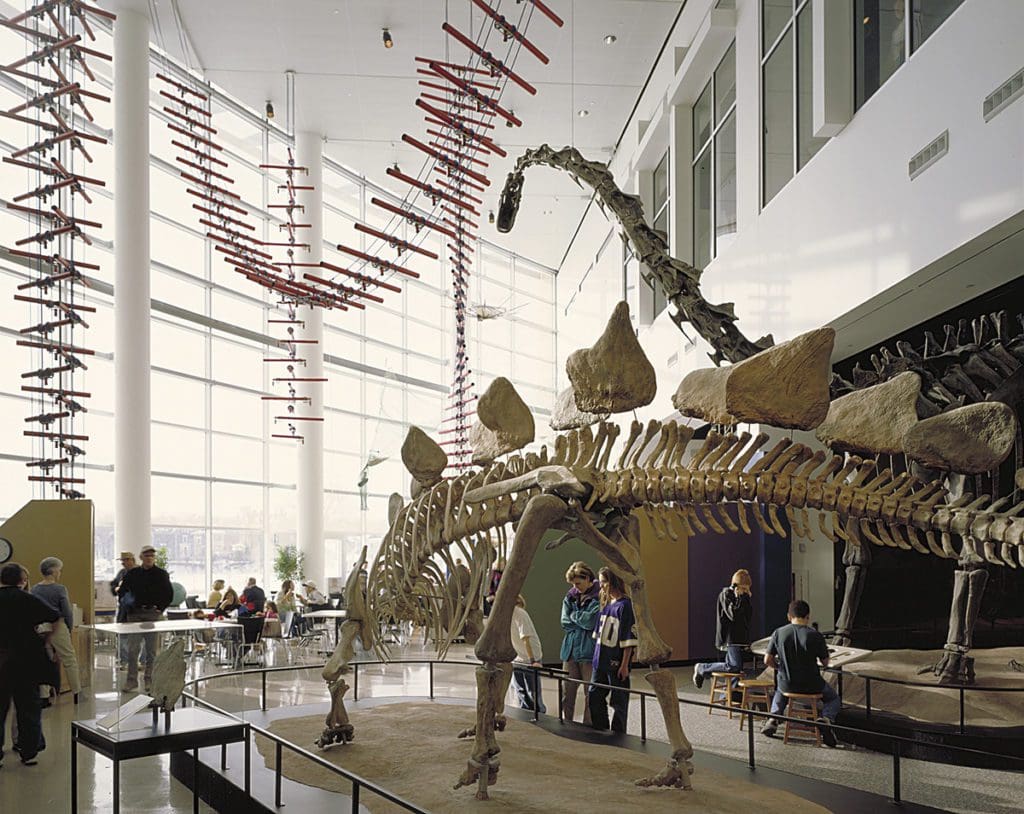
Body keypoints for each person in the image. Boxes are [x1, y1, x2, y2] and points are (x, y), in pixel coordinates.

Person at [0, 562, 60, 766]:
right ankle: (28, 751)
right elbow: (54, 616)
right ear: (22, 580)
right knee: (28, 707)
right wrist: (46, 637)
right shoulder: (28, 599)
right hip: (25, 660)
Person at [761, 599, 840, 747]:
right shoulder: (815, 635)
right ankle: (826, 719)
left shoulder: (779, 633)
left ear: (789, 616)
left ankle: (773, 718)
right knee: (834, 699)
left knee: (781, 687)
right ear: (808, 616)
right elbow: (825, 663)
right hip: (812, 685)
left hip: (788, 684)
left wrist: (779, 667)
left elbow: (767, 660)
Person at [118, 544, 173, 693]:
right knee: (132, 650)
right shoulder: (132, 574)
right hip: (134, 614)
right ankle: (131, 681)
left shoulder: (161, 574)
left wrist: (160, 608)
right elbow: (122, 592)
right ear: (141, 557)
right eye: (146, 555)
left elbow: (168, 594)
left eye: (152, 555)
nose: (149, 558)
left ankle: (149, 680)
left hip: (152, 614)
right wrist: (128, 606)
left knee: (151, 650)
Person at [588, 567, 637, 733]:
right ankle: (600, 728)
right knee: (594, 694)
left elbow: (628, 640)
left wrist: (624, 665)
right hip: (600, 660)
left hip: (615, 662)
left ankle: (618, 734)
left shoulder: (625, 606)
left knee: (619, 701)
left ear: (613, 582)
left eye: (604, 582)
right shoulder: (606, 605)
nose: (600, 586)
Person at [31, 557, 82, 703]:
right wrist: (69, 627)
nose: (60, 573)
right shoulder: (60, 589)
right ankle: (77, 692)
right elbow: (66, 611)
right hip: (58, 626)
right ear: (53, 571)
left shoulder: (35, 589)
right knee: (69, 659)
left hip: (40, 627)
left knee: (44, 659)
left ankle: (44, 696)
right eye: (59, 570)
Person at [692, 569, 754, 690]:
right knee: (733, 666)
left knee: (737, 669)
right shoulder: (726, 594)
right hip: (730, 638)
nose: (747, 591)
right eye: (744, 588)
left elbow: (748, 616)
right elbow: (733, 615)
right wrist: (739, 598)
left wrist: (745, 599)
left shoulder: (743, 597)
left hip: (740, 638)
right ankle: (702, 668)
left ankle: (729, 695)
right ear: (737, 586)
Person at [559, 561, 601, 724]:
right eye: (573, 584)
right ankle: (566, 723)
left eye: (578, 583)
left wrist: (574, 616)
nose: (576, 587)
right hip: (570, 651)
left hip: (588, 653)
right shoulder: (570, 596)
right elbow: (564, 622)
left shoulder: (599, 596)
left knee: (589, 692)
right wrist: (581, 618)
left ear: (588, 578)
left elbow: (591, 622)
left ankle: (587, 727)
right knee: (566, 692)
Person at [509, 595, 546, 713]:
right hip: (520, 658)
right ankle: (528, 714)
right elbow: (523, 638)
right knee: (525, 690)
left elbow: (525, 638)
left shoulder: (517, 614)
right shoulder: (515, 613)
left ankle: (537, 714)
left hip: (526, 658)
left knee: (530, 691)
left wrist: (532, 660)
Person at [110, 552, 135, 668]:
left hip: (136, 610)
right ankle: (124, 660)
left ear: (131, 560)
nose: (123, 563)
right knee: (122, 634)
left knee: (137, 636)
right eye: (122, 561)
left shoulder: (139, 573)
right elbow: (114, 586)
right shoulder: (122, 573)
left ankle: (139, 662)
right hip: (123, 608)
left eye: (125, 560)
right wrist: (117, 588)